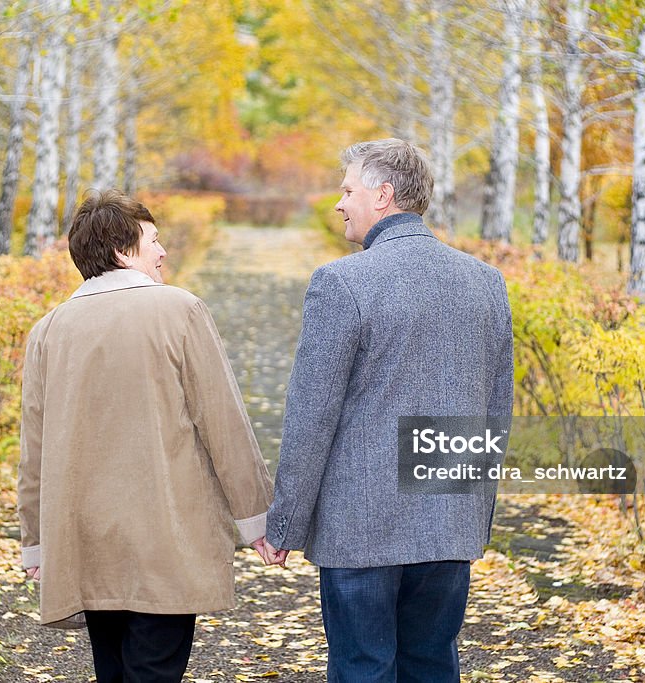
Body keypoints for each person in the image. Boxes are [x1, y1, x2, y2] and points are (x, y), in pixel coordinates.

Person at [264, 139, 514, 682]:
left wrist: (284, 524)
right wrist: (472, 516)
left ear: (383, 195)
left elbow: (312, 417)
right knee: (431, 665)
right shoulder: (486, 282)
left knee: (362, 667)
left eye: (348, 190)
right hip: (449, 523)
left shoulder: (341, 283)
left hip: (361, 528)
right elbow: (497, 412)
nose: (339, 203)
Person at [17, 189, 279, 683]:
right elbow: (223, 423)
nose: (163, 252)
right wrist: (258, 519)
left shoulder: (48, 330)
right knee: (155, 671)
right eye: (154, 240)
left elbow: (35, 450)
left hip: (87, 540)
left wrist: (36, 542)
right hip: (165, 539)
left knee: (112, 672)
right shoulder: (179, 311)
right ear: (123, 250)